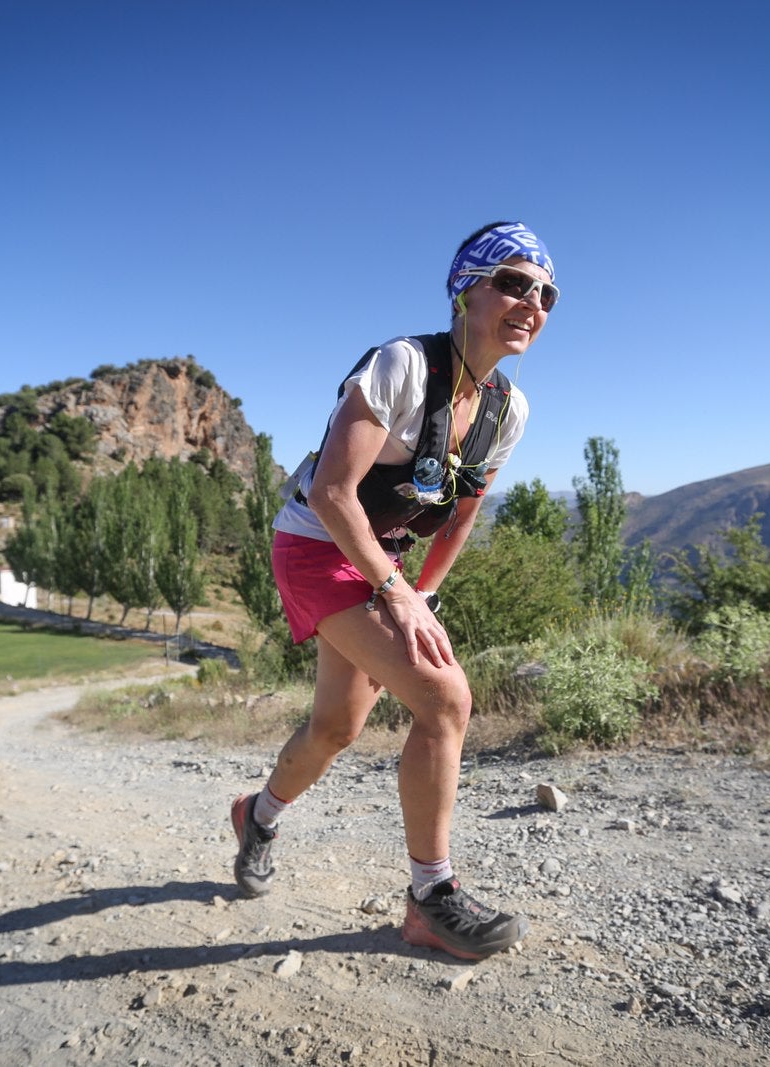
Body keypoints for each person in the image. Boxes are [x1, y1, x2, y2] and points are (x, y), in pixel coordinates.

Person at [230, 221, 559, 961]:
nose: (532, 304)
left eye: (547, 295)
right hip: (316, 545)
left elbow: (460, 517)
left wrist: (421, 594)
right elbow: (332, 491)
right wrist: (395, 592)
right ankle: (430, 898)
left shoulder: (508, 409)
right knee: (445, 698)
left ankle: (258, 816)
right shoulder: (402, 365)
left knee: (336, 728)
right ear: (464, 291)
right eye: (513, 283)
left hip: (384, 561)